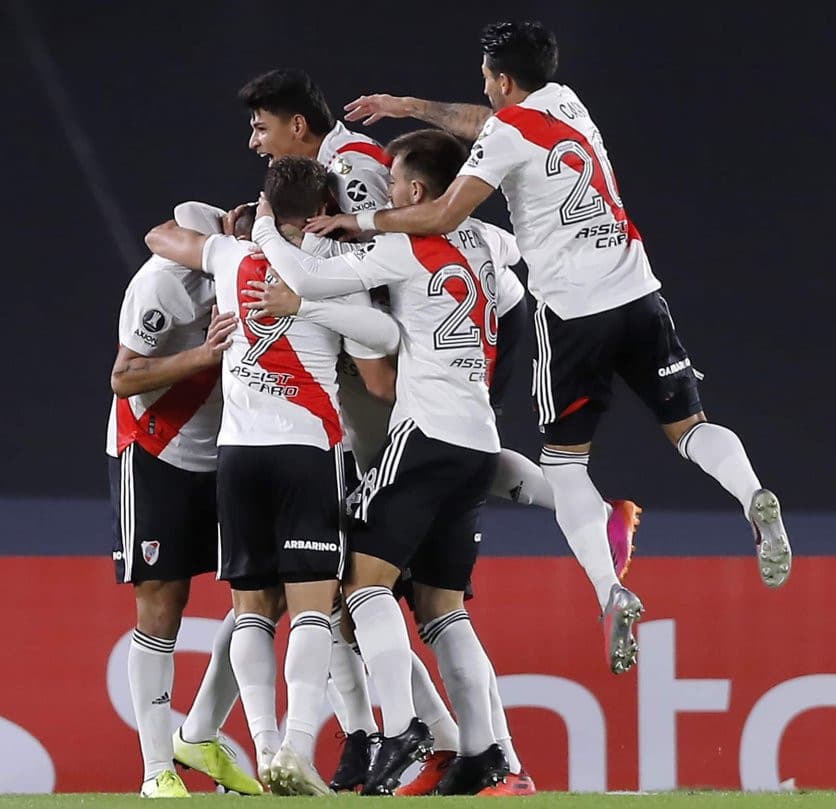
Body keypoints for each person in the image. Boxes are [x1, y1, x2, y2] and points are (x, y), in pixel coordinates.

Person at [311, 20, 793, 676]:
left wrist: (359, 219)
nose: (485, 89)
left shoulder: (505, 134)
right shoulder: (565, 102)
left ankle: (609, 589)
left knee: (565, 465)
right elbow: (485, 123)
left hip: (573, 312)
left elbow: (444, 213)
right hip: (639, 290)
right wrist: (411, 107)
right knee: (690, 427)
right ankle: (753, 494)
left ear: (504, 79)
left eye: (488, 78)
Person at [249, 129, 520, 795]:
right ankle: (484, 753)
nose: (384, 196)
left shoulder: (403, 247)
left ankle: (400, 727)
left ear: (419, 191)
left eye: (394, 184)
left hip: (423, 434)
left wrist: (265, 228)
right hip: (478, 439)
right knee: (442, 606)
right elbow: (514, 287)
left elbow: (306, 278)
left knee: (362, 585)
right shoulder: (489, 243)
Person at [144, 156, 399, 796]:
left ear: (265, 203)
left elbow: (161, 237)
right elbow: (381, 351)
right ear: (323, 210)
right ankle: (296, 747)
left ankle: (261, 745)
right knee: (313, 607)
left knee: (251, 610)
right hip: (305, 451)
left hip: (238, 455)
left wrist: (244, 229)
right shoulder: (334, 271)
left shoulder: (229, 258)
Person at [107, 234, 260, 797]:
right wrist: (203, 354)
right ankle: (156, 772)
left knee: (265, 594)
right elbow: (123, 377)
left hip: (233, 449)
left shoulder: (279, 274)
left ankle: (197, 733)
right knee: (162, 604)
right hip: (158, 451)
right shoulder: (165, 282)